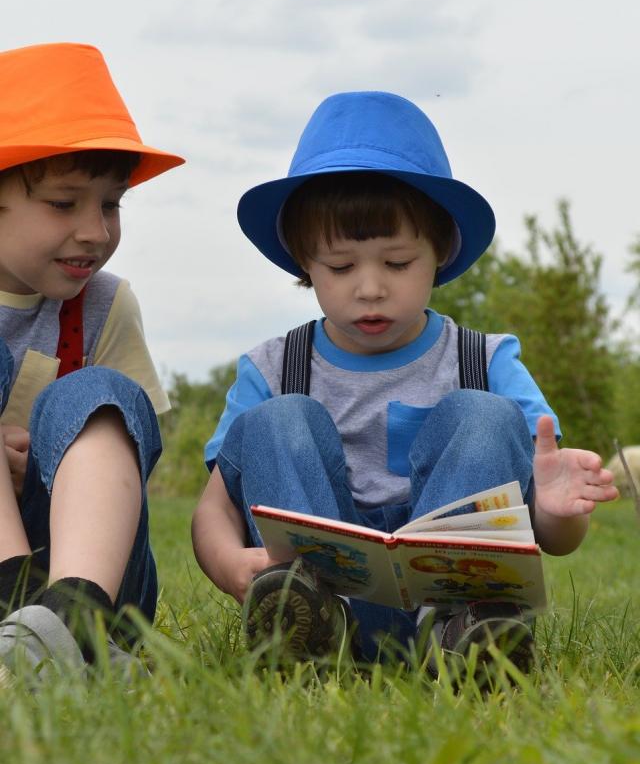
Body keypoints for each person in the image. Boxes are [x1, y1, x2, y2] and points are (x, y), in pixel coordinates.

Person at [192, 91, 617, 674]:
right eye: (341, 267)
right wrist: (229, 564)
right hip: (323, 593)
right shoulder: (271, 367)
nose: (370, 288)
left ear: (439, 252)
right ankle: (309, 632)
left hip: (454, 594)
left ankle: (464, 636)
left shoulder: (486, 360)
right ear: (303, 261)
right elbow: (213, 508)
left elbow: (554, 535)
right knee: (277, 420)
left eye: (396, 264)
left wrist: (557, 510)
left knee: (485, 415)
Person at [0, 42, 184, 681]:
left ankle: (72, 621)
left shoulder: (104, 304)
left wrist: (57, 459)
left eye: (110, 203)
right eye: (63, 203)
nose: (96, 231)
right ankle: (18, 614)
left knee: (99, 394)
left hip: (87, 569)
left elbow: (131, 451)